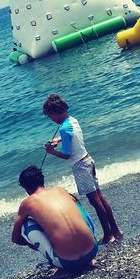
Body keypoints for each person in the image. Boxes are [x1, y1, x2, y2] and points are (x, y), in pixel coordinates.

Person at [41, 93, 123, 243]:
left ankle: (108, 235)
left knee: (95, 201)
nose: (51, 119)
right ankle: (116, 230)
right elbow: (72, 136)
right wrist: (59, 140)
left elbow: (67, 155)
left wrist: (51, 151)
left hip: (80, 166)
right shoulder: (72, 121)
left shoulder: (64, 129)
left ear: (54, 113)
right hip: (88, 160)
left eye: (50, 116)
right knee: (100, 197)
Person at [11, 166, 99, 273]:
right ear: (42, 180)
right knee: (76, 204)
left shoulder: (27, 203)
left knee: (25, 224)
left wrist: (32, 245)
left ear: (25, 187)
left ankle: (60, 266)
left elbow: (15, 238)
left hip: (67, 262)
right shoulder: (61, 190)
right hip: (92, 251)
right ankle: (88, 245)